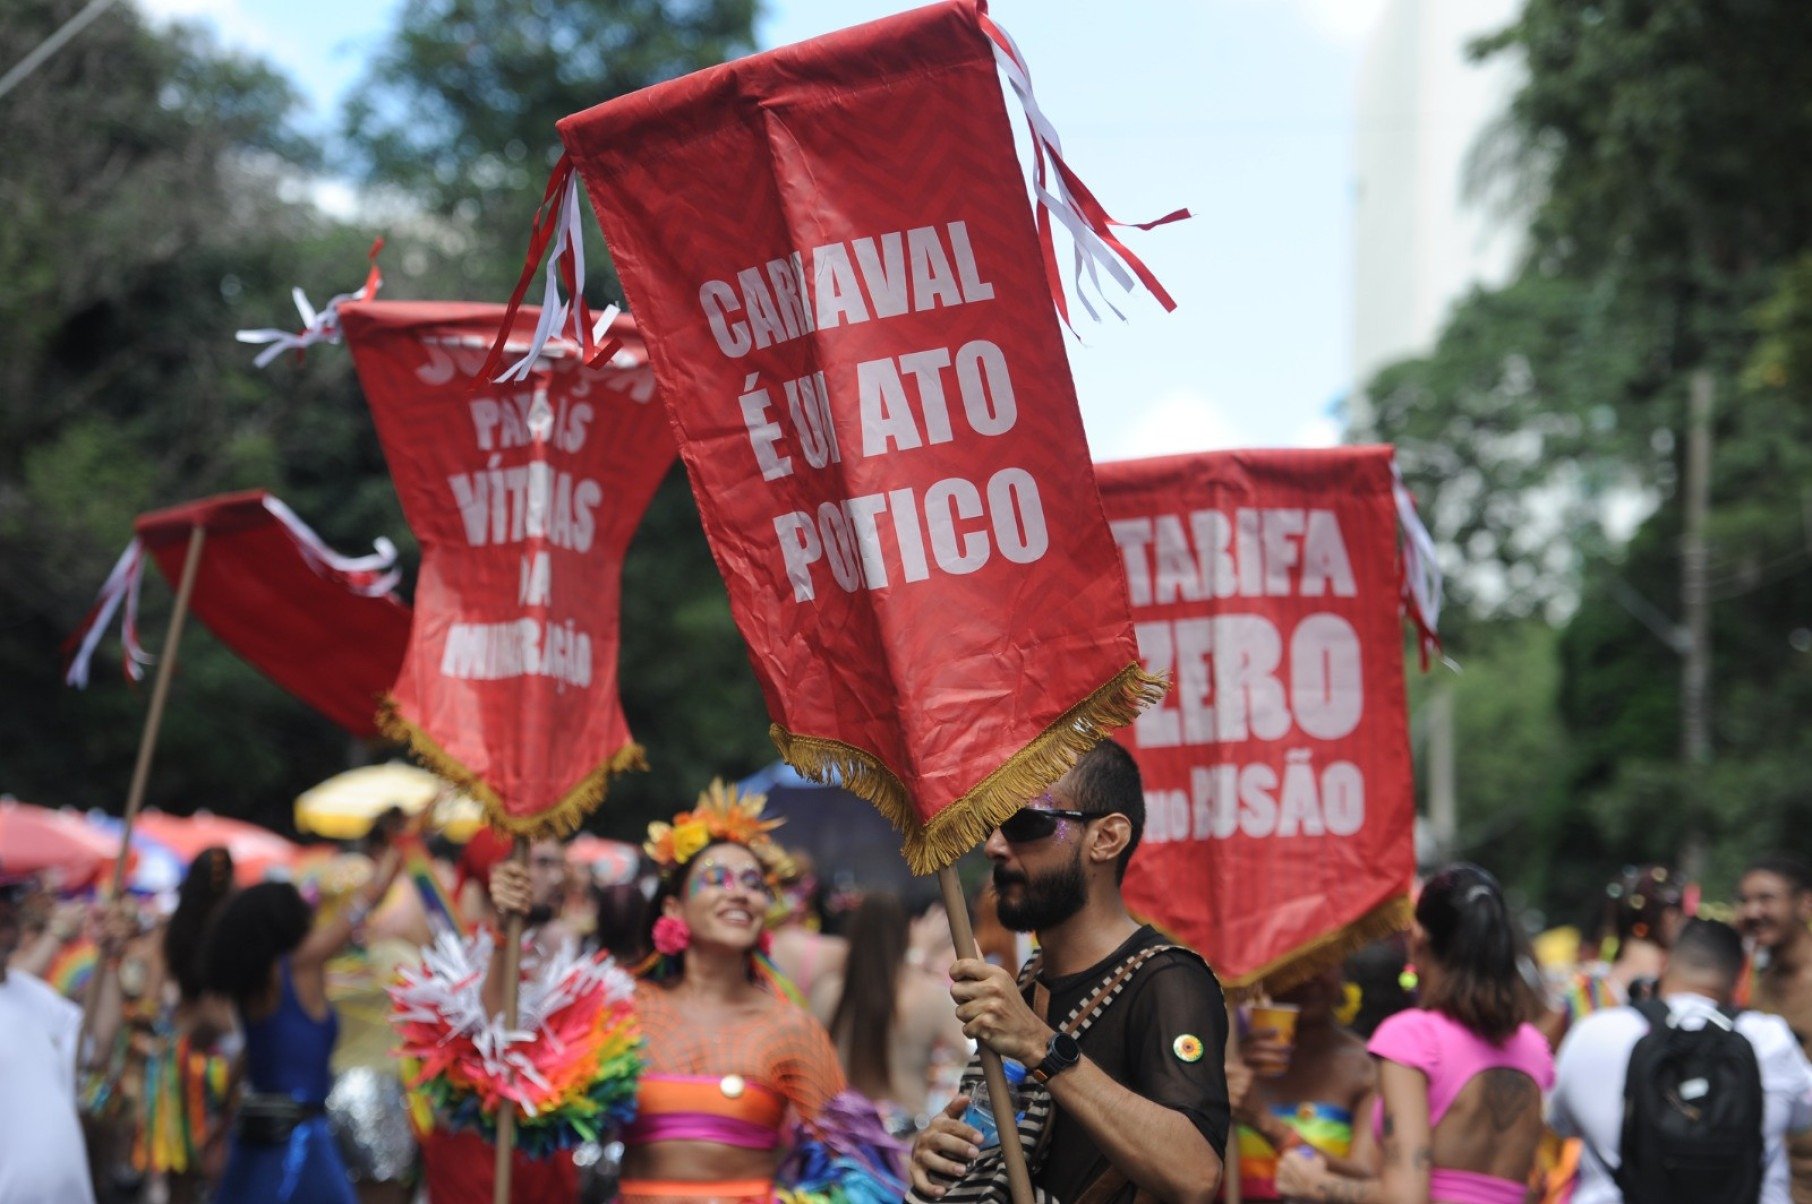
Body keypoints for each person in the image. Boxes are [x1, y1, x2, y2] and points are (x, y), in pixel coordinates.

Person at [491, 780, 873, 1204]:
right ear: (673, 908)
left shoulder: (789, 1026)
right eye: (717, 880)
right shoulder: (623, 1008)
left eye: (753, 883)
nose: (740, 893)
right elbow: (511, 1068)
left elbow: (856, 1161)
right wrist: (503, 934)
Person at [909, 737, 1231, 1204]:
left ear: (1106, 838)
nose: (995, 845)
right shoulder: (1026, 982)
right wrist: (941, 1157)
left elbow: (1196, 1173)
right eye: (992, 822)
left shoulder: (1168, 980)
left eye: (1025, 822)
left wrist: (1041, 1046)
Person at [1276, 862, 1554, 1204]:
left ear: (1418, 939)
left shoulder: (1415, 1039)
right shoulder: (1534, 1046)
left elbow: (1406, 1197)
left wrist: (1316, 1185)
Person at [1548, 917, 1812, 1204]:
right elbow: (1802, 1116)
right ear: (1737, 979)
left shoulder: (1597, 1031)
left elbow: (1560, 1122)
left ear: (1664, 965)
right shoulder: (1770, 1038)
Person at [201, 843, 400, 1204]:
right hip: (301, 1140)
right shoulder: (297, 968)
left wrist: (220, 1120)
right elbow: (356, 913)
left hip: (253, 1138)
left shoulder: (253, 982)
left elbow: (248, 1059)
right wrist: (395, 856)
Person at [0, 873, 133, 1204]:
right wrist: (58, 934)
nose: (6, 907)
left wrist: (110, 957)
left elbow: (98, 1046)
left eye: (9, 896)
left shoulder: (35, 994)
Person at [811, 892, 970, 1134]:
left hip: (842, 1139)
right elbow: (972, 1052)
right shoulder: (928, 994)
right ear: (905, 933)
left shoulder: (828, 991)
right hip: (902, 1144)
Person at [1225, 966, 1378, 1200]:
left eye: (1322, 962)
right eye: (1294, 965)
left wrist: (1269, 1125)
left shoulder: (1366, 1068)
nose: (1307, 977)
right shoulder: (1230, 1060)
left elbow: (1367, 1179)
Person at [142, 845, 241, 1203]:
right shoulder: (239, 931)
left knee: (180, 1173)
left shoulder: (170, 933)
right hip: (227, 1058)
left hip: (180, 1060)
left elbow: (150, 1002)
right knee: (226, 1172)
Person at [1741, 853, 1812, 1203]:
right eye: (1745, 901)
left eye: (1766, 899)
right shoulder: (1747, 986)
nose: (1753, 912)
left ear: (1804, 904)